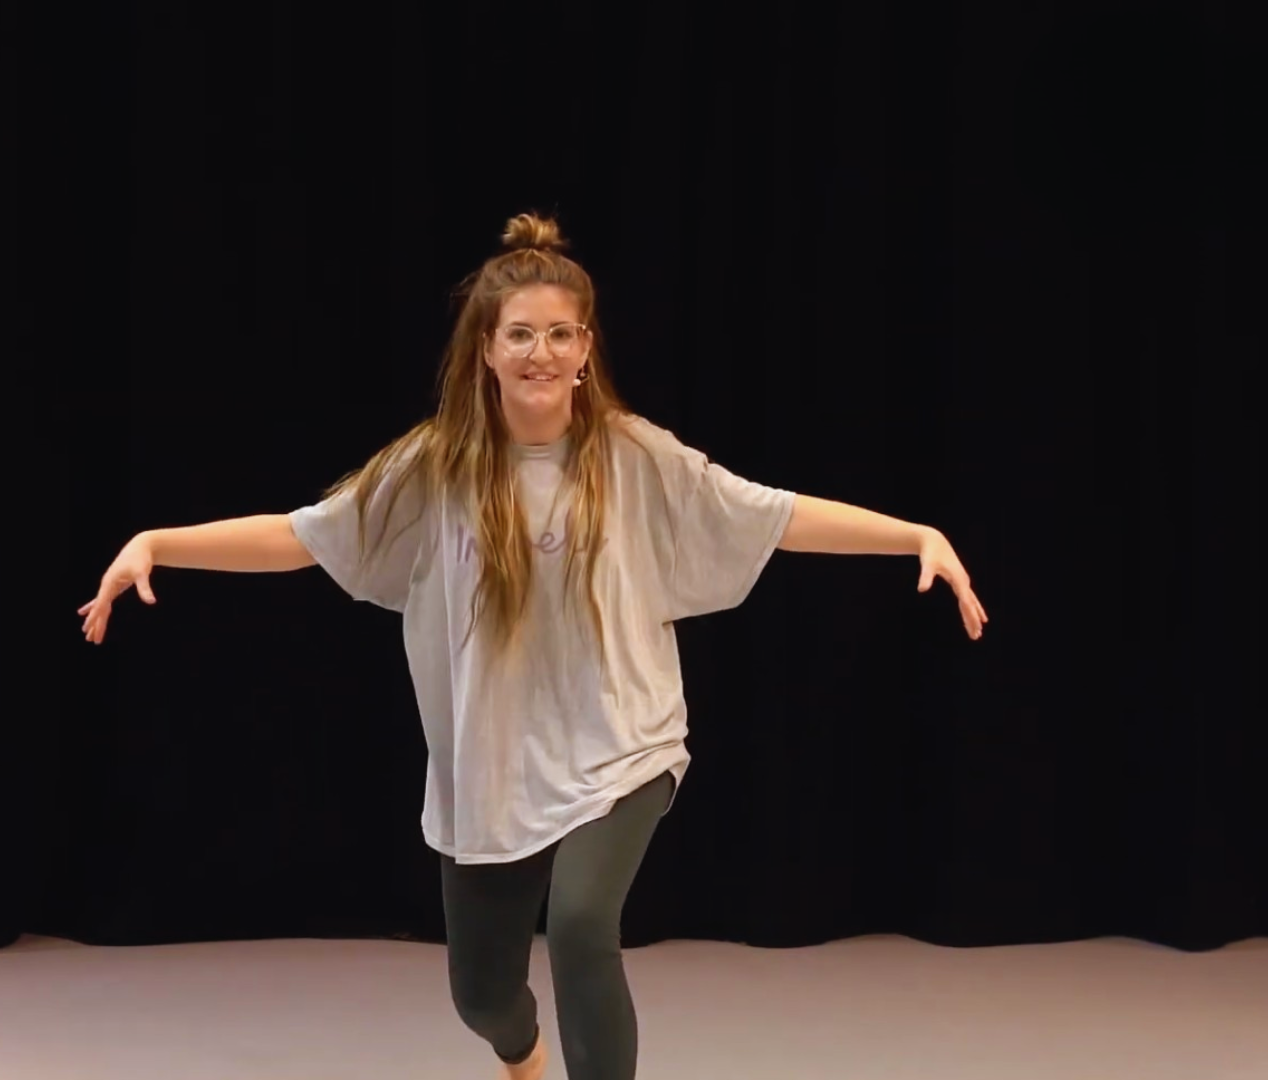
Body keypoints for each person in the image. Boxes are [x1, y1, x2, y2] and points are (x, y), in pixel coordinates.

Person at [77, 213, 988, 1080]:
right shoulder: (434, 467)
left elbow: (772, 515)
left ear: (587, 349)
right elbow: (304, 534)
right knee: (481, 996)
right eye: (520, 334)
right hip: (493, 763)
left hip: (619, 743)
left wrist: (912, 534)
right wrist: (161, 544)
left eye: (560, 334)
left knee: (586, 924)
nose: (540, 352)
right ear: (487, 350)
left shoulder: (635, 459)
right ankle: (521, 1055)